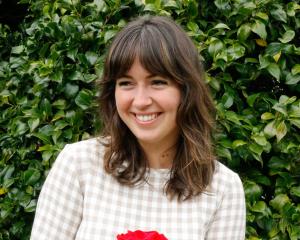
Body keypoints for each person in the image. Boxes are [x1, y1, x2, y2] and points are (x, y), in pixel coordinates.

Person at [30, 15, 246, 240]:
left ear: (186, 90)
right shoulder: (78, 164)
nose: (141, 101)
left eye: (158, 82)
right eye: (126, 83)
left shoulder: (222, 188)